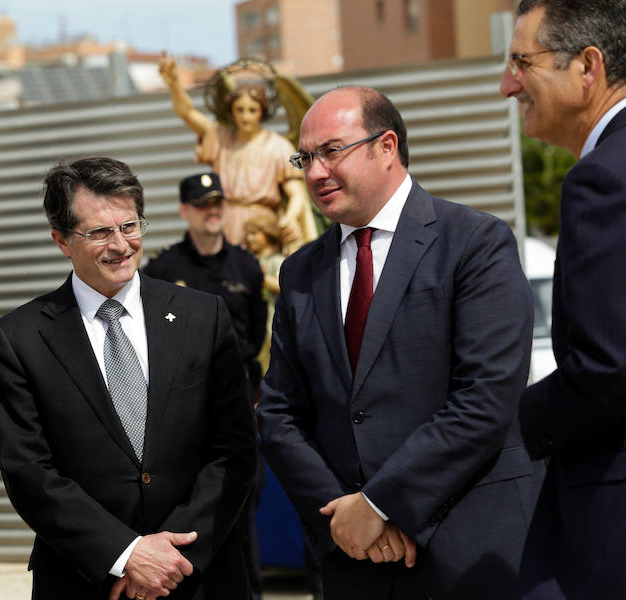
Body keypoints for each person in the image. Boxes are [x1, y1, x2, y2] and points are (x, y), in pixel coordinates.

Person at [257, 86, 540, 599]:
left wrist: (381, 504)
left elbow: (484, 399)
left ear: (386, 146)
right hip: (354, 562)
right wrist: (343, 518)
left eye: (331, 151)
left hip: (471, 552)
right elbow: (279, 415)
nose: (315, 172)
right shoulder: (301, 271)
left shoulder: (475, 242)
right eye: (306, 157)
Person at [0, 157, 257, 600]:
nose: (121, 245)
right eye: (99, 232)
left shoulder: (203, 316)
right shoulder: (19, 339)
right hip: (86, 579)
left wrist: (171, 555)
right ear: (61, 240)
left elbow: (234, 450)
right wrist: (125, 553)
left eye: (130, 226)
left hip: (198, 574)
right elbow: (29, 472)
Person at [500, 1, 626, 597]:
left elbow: (608, 367)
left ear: (589, 67)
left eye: (522, 62)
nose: (508, 86)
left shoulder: (604, 178)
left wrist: (502, 430)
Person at [158, 55, 314, 252]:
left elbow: (296, 192)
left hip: (262, 226)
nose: (245, 116)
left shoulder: (278, 146)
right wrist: (174, 84)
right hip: (225, 222)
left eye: (252, 110)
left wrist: (290, 217)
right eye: (239, 110)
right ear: (231, 112)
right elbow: (187, 113)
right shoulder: (220, 138)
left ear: (262, 112)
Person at [143, 172, 266, 388]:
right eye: (202, 205)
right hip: (183, 386)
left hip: (237, 381)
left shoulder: (247, 266)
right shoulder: (163, 268)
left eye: (217, 203)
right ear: (184, 210)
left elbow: (257, 328)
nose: (212, 211)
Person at [242, 214, 285, 374]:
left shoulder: (277, 261)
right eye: (247, 234)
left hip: (273, 314)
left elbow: (283, 285)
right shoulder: (251, 262)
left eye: (254, 233)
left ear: (268, 233)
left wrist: (261, 278)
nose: (249, 238)